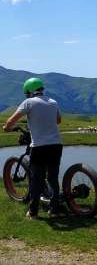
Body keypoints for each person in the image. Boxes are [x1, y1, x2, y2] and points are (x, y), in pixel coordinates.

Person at [3, 77, 63, 219]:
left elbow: (11, 121)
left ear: (29, 91)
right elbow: (58, 120)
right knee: (53, 178)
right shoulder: (53, 102)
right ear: (41, 89)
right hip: (56, 145)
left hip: (40, 146)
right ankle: (54, 210)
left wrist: (6, 127)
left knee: (37, 179)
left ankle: (33, 212)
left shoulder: (28, 102)